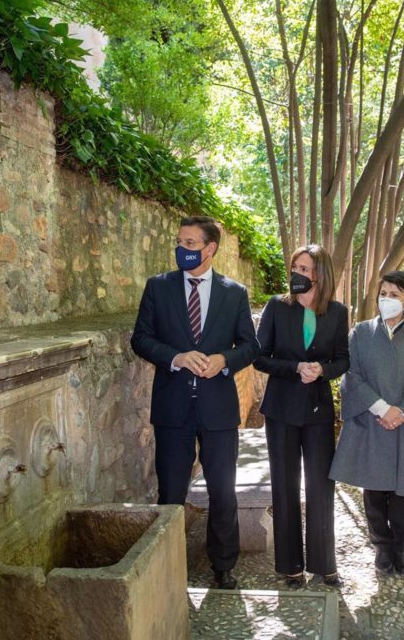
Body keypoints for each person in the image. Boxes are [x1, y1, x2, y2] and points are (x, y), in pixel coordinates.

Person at [130, 215, 260, 589]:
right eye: (179, 242)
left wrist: (223, 361)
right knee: (170, 492)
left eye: (190, 244)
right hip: (172, 408)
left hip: (218, 407)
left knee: (223, 489)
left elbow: (250, 346)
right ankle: (166, 566)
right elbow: (140, 339)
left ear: (210, 248)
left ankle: (223, 565)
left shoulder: (233, 292)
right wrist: (176, 357)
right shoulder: (158, 287)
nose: (182, 249)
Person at [329, 271, 404, 575]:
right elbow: (351, 376)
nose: (387, 299)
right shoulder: (361, 333)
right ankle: (381, 545)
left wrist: (401, 412)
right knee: (375, 488)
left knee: (402, 492)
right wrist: (381, 409)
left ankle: (399, 547)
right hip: (373, 420)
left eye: (395, 294)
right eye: (384, 293)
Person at [254, 245, 350, 589]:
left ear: (320, 274)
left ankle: (325, 564)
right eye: (295, 266)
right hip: (280, 410)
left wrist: (322, 370)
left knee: (321, 485)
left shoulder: (338, 312)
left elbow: (343, 359)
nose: (298, 272)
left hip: (318, 412)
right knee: (285, 485)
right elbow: (259, 357)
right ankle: (290, 565)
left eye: (305, 268)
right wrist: (295, 367)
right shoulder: (277, 308)